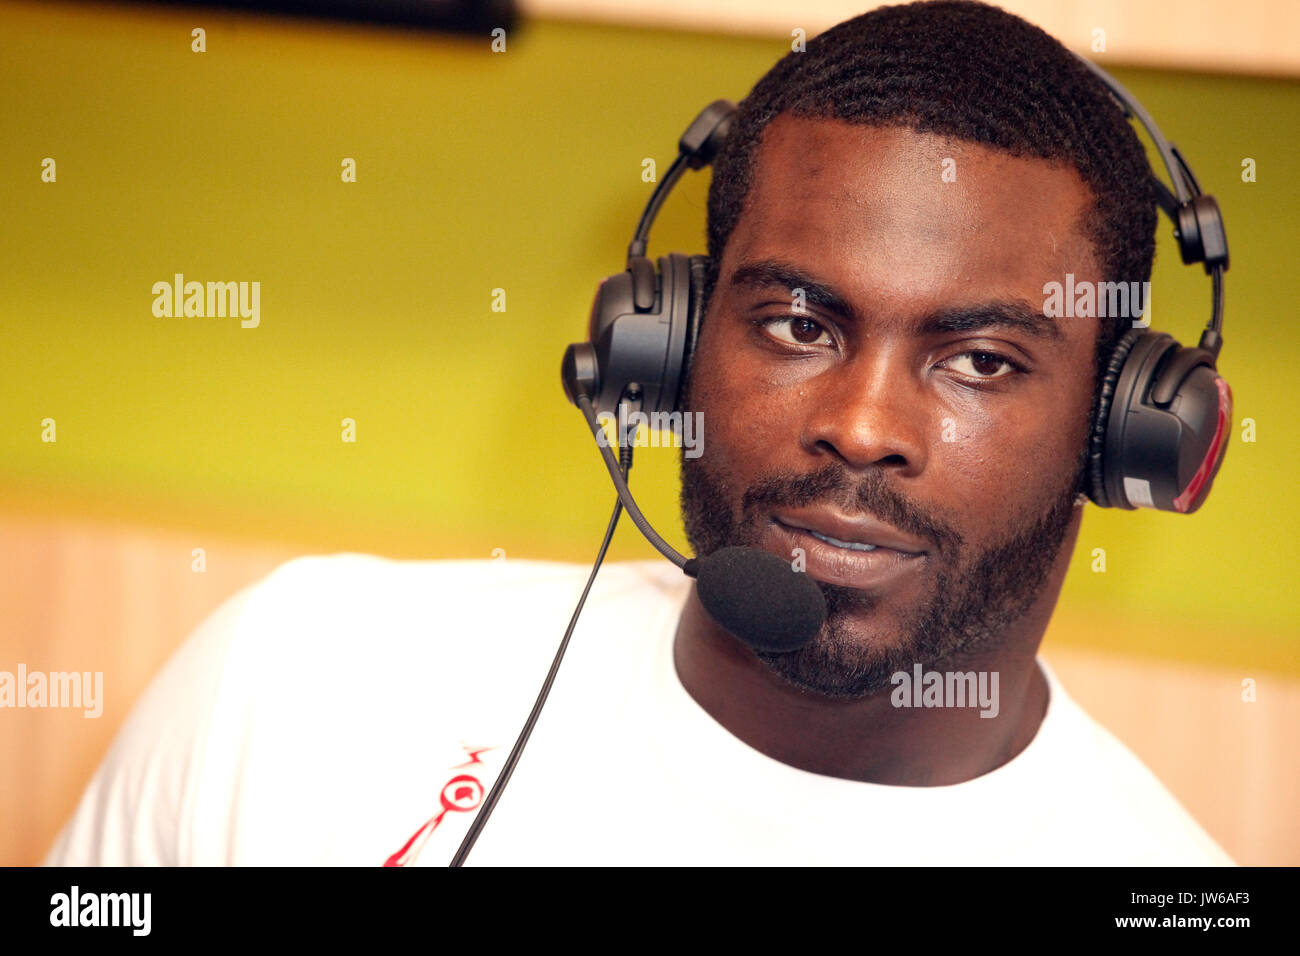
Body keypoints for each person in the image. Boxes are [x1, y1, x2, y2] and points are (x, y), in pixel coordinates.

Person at [45, 0, 1234, 866]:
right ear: (663, 346)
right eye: (796, 323)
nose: (862, 425)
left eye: (979, 359)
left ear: (1121, 427)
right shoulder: (295, 681)